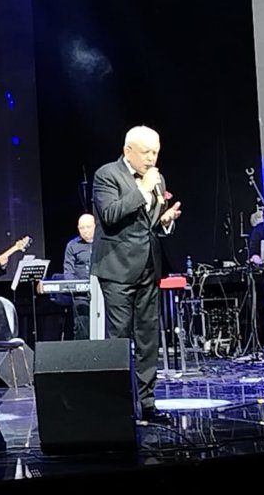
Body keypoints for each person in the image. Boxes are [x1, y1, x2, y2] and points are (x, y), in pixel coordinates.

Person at [91, 126, 182, 422]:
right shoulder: (107, 175)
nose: (152, 158)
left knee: (148, 336)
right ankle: (119, 404)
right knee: (120, 336)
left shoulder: (157, 178)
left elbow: (149, 223)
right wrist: (142, 190)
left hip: (148, 267)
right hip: (117, 267)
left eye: (155, 152)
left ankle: (147, 402)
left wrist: (165, 221)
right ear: (128, 150)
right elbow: (110, 215)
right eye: (146, 152)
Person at [63, 213, 95, 340]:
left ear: (95, 226)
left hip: (104, 293)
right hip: (81, 296)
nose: (85, 231)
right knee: (82, 329)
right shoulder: (72, 246)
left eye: (88, 227)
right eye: (82, 228)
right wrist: (77, 286)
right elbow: (68, 272)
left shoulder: (103, 243)